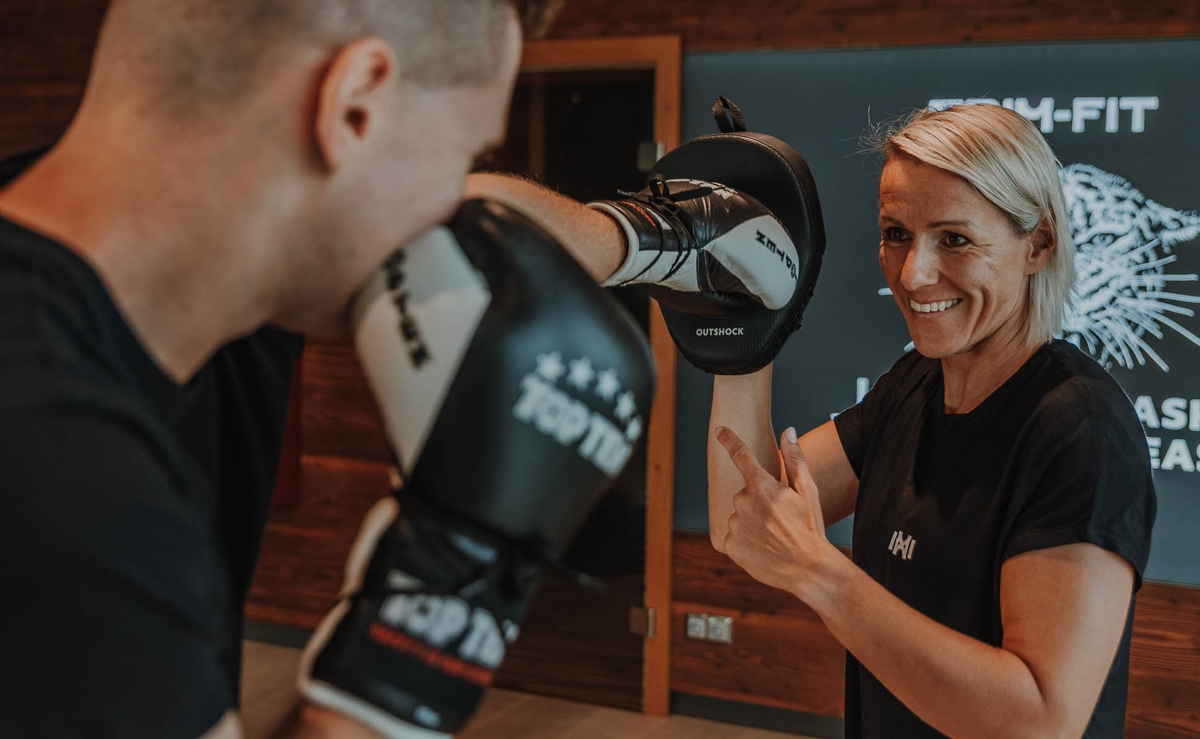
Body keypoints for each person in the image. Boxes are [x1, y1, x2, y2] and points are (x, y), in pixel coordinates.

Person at [0, 1, 795, 736]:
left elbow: (485, 217)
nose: (452, 198)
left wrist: (662, 237)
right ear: (354, 106)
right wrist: (438, 601)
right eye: (459, 152)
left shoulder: (162, 262)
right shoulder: (65, 479)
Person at [707, 104, 1156, 739]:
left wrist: (820, 573)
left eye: (955, 239)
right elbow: (742, 518)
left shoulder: (1080, 429)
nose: (913, 274)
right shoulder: (912, 386)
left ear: (1040, 242)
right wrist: (743, 324)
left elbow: (1039, 721)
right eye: (896, 234)